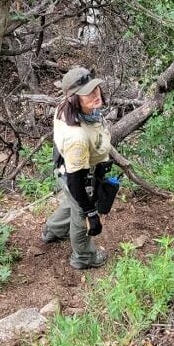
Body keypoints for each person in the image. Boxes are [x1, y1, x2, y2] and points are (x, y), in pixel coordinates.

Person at [42, 66, 112, 269]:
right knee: (80, 212)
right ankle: (83, 258)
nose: (95, 94)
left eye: (95, 88)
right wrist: (91, 212)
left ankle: (52, 231)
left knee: (72, 202)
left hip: (65, 169)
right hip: (78, 177)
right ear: (74, 98)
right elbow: (76, 184)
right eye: (87, 93)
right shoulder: (77, 138)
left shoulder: (65, 107)